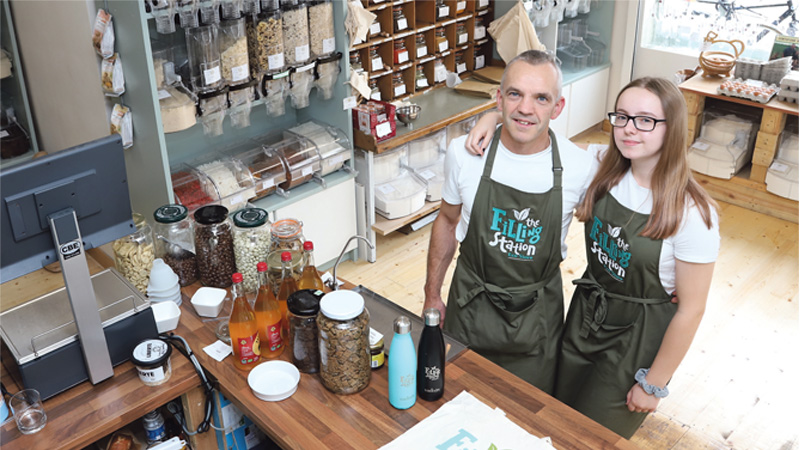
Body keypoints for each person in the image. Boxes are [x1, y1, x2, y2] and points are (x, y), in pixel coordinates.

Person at [466, 77, 720, 438]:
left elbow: (691, 309)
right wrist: (493, 119)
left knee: (591, 437)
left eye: (645, 120)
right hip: (584, 319)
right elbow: (541, 139)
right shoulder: (603, 165)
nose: (629, 129)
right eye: (623, 117)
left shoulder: (694, 214)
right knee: (556, 417)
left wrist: (654, 383)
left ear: (673, 127)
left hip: (635, 341)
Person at [423, 50, 594, 394]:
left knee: (528, 419)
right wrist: (431, 293)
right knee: (458, 405)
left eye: (541, 98)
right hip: (470, 307)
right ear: (499, 99)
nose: (526, 108)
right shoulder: (465, 153)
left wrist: (666, 279)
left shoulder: (581, 168)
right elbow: (446, 220)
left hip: (536, 324)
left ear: (557, 108)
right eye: (515, 94)